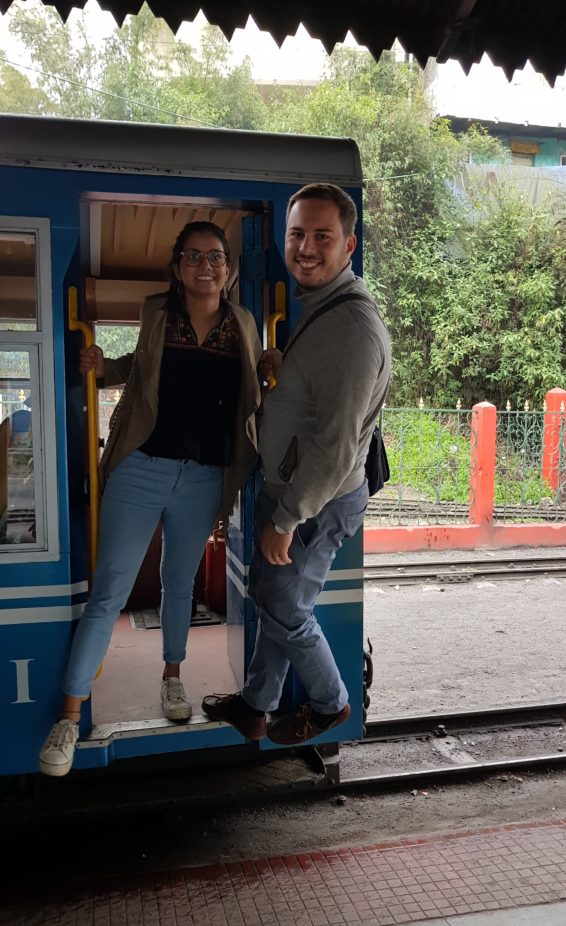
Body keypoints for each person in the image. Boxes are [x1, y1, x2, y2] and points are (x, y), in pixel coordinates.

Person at [38, 221, 262, 776]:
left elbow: (254, 391)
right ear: (177, 267)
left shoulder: (245, 325)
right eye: (193, 256)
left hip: (205, 477)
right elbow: (142, 372)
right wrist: (104, 368)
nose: (205, 266)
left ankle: (172, 679)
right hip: (141, 468)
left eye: (215, 257)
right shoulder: (156, 313)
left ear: (229, 268)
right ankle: (68, 716)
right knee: (109, 592)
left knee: (178, 583)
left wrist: (276, 367)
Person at [202, 183, 391, 745]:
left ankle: (332, 702)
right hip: (296, 488)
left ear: (349, 244)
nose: (306, 248)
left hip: (315, 498)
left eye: (322, 236)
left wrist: (288, 518)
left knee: (284, 605)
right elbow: (323, 398)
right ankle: (257, 705)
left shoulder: (349, 329)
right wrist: (287, 369)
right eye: (297, 234)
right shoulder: (324, 309)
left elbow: (335, 445)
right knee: (272, 595)